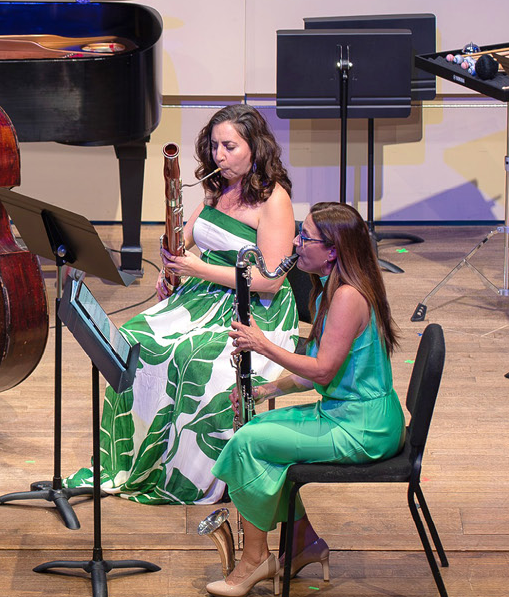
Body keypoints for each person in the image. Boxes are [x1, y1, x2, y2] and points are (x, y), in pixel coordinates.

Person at [65, 104, 300, 505]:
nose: (219, 156)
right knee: (135, 340)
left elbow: (271, 280)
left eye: (230, 146)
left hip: (254, 310)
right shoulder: (217, 185)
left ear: (255, 148)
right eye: (214, 146)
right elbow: (187, 239)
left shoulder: (273, 199)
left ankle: (189, 473)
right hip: (202, 295)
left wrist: (196, 269)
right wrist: (171, 265)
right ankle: (138, 457)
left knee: (196, 359)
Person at [207, 202, 405, 596]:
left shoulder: (348, 296)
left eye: (305, 237)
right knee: (258, 428)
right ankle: (302, 544)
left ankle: (256, 560)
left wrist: (261, 344)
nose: (296, 244)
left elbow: (322, 371)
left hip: (363, 427)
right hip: (349, 413)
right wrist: (268, 390)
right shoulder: (328, 292)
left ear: (332, 250)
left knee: (249, 442)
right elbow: (313, 369)